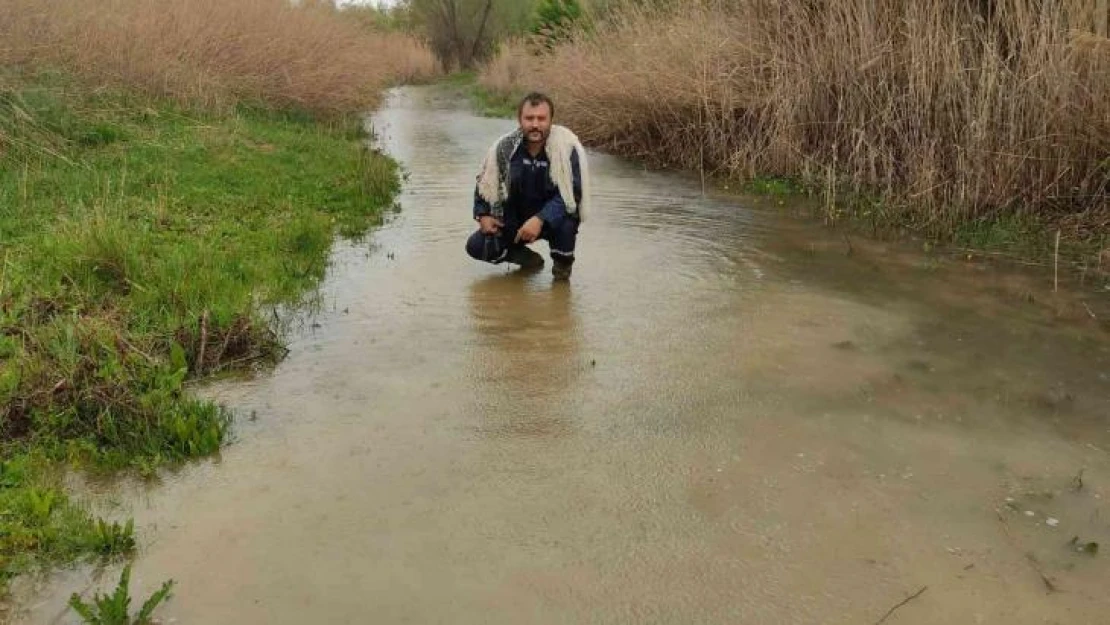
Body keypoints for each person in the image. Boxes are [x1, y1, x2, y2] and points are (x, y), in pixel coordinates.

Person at [466, 92, 589, 280]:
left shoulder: (567, 149)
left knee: (567, 222)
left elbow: (572, 194)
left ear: (551, 120)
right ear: (519, 120)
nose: (535, 124)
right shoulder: (504, 148)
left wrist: (540, 219)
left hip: (552, 222)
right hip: (514, 219)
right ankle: (530, 261)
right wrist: (483, 213)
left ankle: (561, 275)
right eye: (529, 118)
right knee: (476, 246)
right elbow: (485, 182)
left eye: (541, 118)